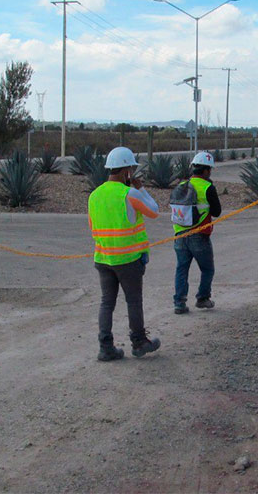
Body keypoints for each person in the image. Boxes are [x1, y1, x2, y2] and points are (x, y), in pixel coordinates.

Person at [88, 147, 161, 362]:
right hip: (128, 260)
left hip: (103, 258)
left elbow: (93, 228)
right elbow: (154, 211)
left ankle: (106, 347)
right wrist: (143, 190)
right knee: (133, 301)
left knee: (106, 303)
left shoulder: (94, 195)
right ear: (127, 171)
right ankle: (139, 343)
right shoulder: (129, 194)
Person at [170, 151, 222, 314]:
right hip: (199, 235)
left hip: (179, 235)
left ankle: (179, 303)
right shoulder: (208, 187)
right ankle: (202, 298)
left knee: (182, 269)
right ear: (206, 170)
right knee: (207, 269)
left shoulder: (181, 186)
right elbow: (217, 211)